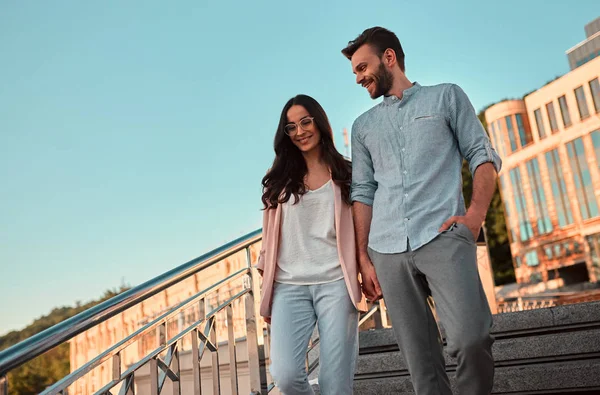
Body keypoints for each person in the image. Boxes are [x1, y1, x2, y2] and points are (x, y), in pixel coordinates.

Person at [342, 27, 502, 395]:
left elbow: (481, 155)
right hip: (387, 249)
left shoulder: (446, 97)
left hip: (443, 235)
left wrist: (475, 216)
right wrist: (364, 258)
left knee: (470, 339)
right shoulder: (363, 127)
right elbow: (363, 191)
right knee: (422, 364)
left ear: (389, 58)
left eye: (362, 67)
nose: (358, 77)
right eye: (354, 71)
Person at [255, 94, 366, 395]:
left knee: (336, 383)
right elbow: (268, 238)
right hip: (288, 286)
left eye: (305, 122)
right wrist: (267, 288)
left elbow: (361, 228)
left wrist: (367, 266)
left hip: (335, 283)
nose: (300, 131)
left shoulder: (347, 173)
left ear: (319, 122)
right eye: (291, 127)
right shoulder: (277, 178)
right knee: (286, 376)